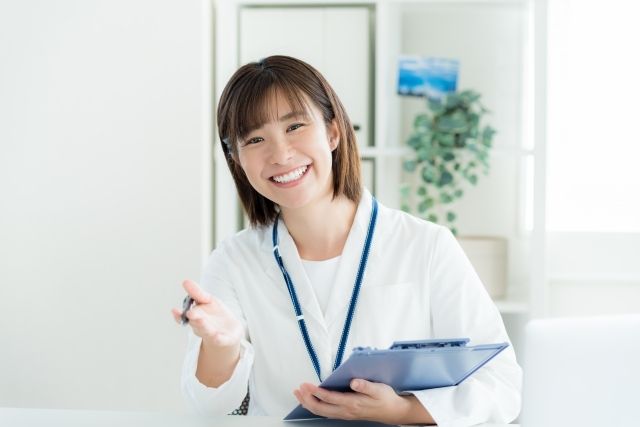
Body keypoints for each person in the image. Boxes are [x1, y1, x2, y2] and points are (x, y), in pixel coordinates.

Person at [171, 55, 522, 426]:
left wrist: (401, 410)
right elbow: (206, 409)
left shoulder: (426, 244)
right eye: (255, 139)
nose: (280, 154)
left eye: (294, 126)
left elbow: (501, 384)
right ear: (237, 160)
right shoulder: (233, 260)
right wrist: (222, 347)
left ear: (333, 132)